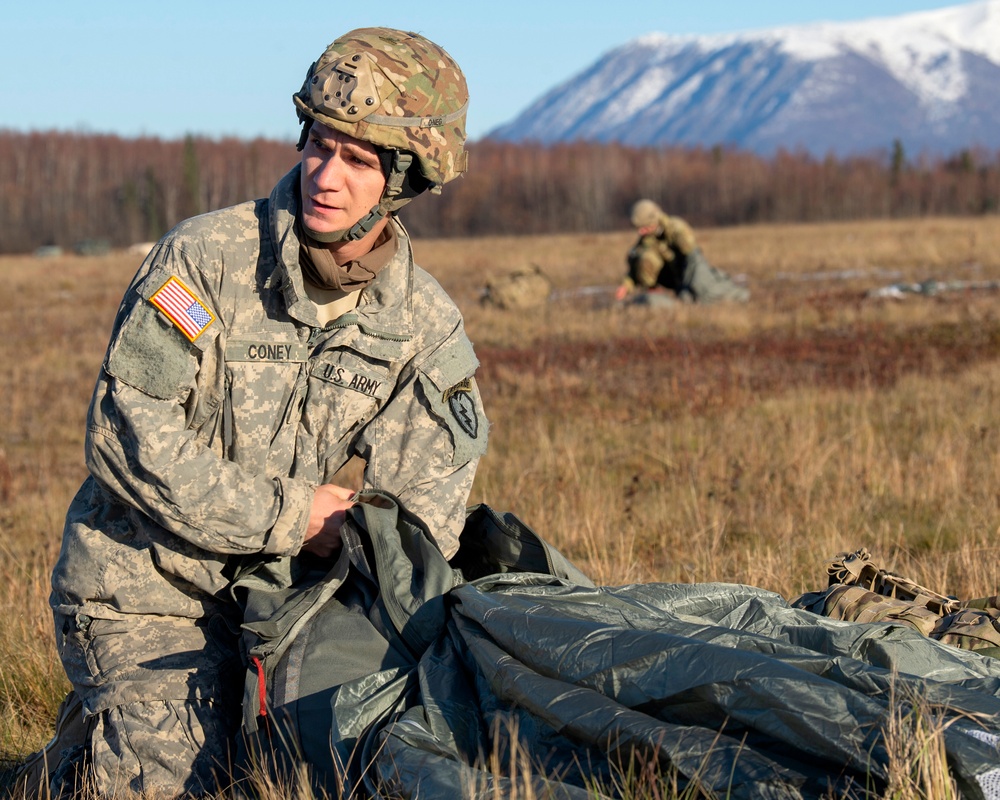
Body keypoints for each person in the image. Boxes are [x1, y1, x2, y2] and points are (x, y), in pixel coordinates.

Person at [36, 27, 488, 798]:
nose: (325, 175)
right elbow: (123, 435)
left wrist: (358, 552)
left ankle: (69, 763)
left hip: (275, 607)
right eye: (318, 143)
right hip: (142, 589)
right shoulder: (202, 261)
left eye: (358, 159)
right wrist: (295, 517)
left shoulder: (422, 324)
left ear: (405, 179)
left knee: (340, 762)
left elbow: (423, 520)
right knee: (180, 779)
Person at [614, 199, 750, 306]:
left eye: (643, 228)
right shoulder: (646, 240)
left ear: (652, 220)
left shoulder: (676, 228)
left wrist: (688, 288)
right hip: (674, 279)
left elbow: (693, 258)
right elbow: (636, 267)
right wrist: (626, 287)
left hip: (691, 273)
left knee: (708, 295)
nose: (640, 232)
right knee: (645, 257)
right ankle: (656, 291)